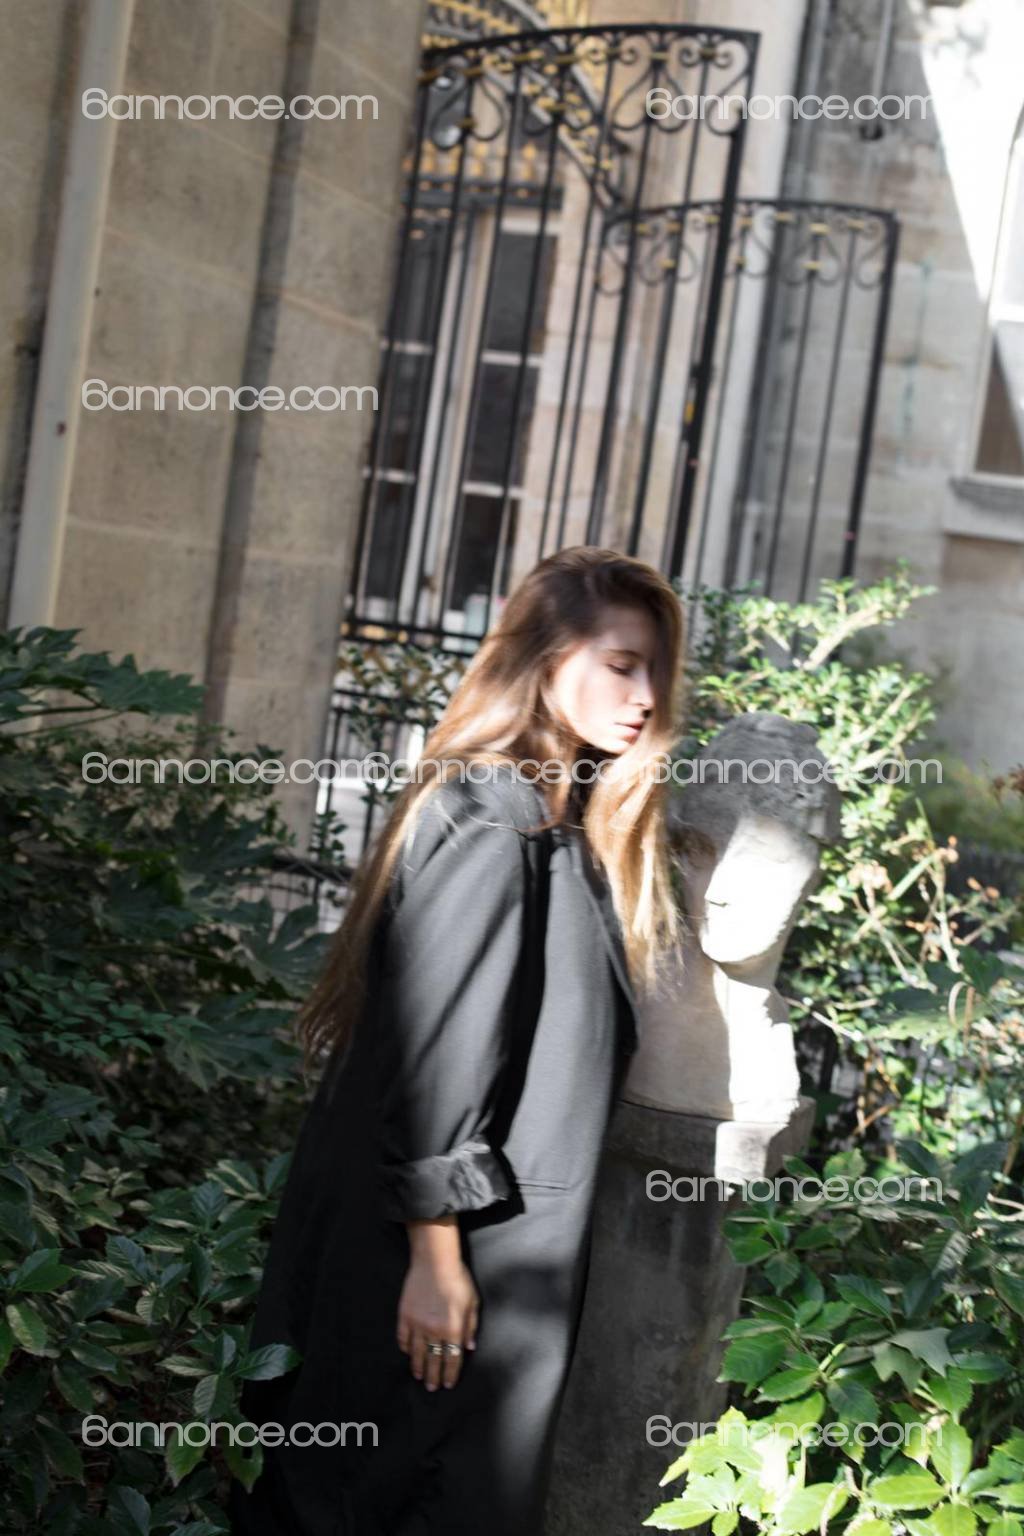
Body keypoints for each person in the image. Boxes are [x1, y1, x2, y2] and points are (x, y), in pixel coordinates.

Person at [229, 546, 686, 1535]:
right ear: (544, 658)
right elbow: (439, 1054)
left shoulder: (558, 822)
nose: (646, 695)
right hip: (442, 1267)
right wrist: (436, 1263)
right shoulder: (491, 817)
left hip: (494, 1257)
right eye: (619, 665)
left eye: (653, 669)